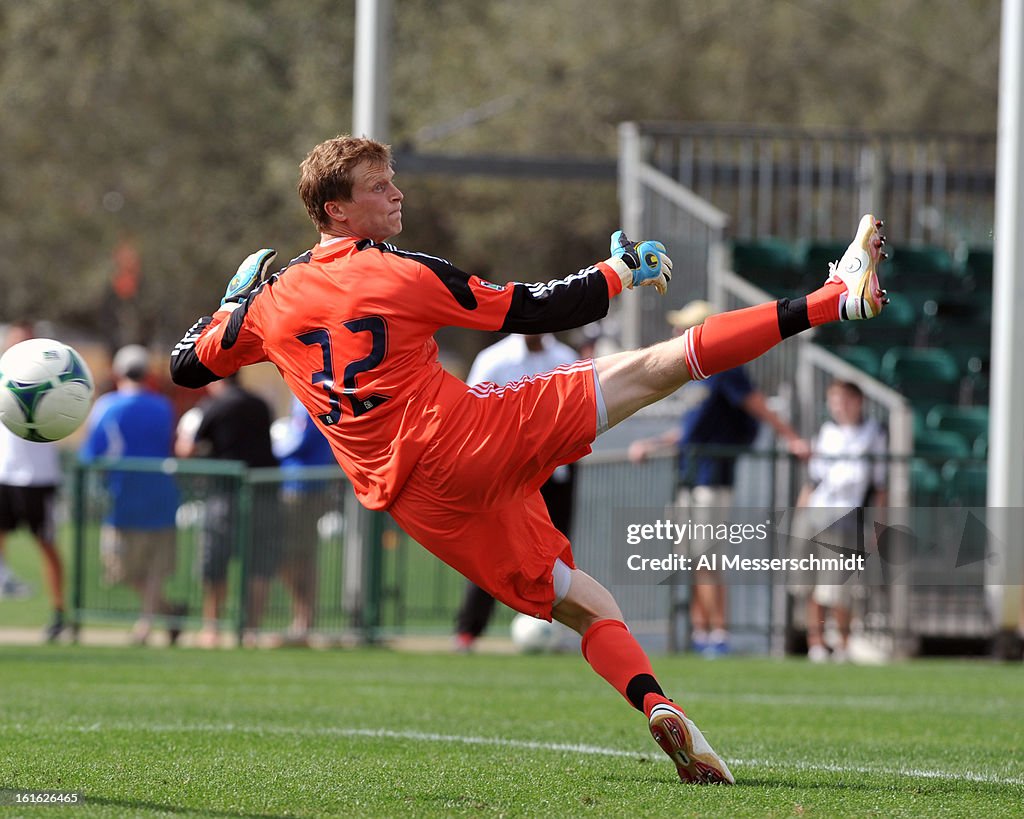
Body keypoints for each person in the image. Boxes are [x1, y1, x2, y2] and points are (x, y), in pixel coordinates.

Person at [170, 133, 888, 784]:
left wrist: (232, 304)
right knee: (655, 367)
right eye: (378, 186)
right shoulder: (397, 272)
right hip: (466, 438)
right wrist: (619, 270)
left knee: (585, 603)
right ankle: (832, 300)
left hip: (417, 504)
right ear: (335, 210)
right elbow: (536, 307)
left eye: (393, 180)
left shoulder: (267, 307)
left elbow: (185, 367)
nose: (397, 194)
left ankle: (659, 705)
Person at [628, 300, 811, 657]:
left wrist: (790, 437)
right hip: (691, 478)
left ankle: (719, 634)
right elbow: (689, 431)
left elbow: (757, 403)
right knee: (693, 560)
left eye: (682, 328)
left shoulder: (724, 367)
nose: (674, 335)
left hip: (712, 479)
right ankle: (702, 633)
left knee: (708, 558)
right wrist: (651, 444)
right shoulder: (697, 374)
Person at [453, 333, 580, 652]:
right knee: (493, 551)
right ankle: (469, 631)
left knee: (556, 557)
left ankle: (552, 632)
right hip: (505, 475)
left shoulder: (565, 358)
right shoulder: (494, 359)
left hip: (554, 474)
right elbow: (470, 411)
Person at [78, 344, 185, 646]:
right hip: (159, 495)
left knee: (122, 569)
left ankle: (146, 625)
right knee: (147, 570)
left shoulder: (107, 406)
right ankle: (168, 611)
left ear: (117, 372)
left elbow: (92, 453)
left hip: (123, 497)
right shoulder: (163, 406)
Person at [174, 374, 278, 648]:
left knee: (215, 561)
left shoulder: (213, 406)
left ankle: (212, 628)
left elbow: (187, 448)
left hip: (225, 493)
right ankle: (252, 629)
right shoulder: (260, 403)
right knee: (259, 562)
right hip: (263, 492)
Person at [796, 379, 887, 663]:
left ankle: (843, 644)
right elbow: (814, 479)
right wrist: (800, 513)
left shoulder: (874, 434)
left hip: (847, 516)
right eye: (834, 400)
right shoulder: (826, 431)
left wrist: (878, 524)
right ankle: (817, 644)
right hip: (817, 513)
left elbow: (880, 486)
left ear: (858, 401)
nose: (839, 406)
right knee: (810, 583)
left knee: (838, 586)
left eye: (844, 399)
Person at [0, 321, 68, 642]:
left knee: (46, 543)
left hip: (39, 477)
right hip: (5, 473)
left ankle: (59, 612)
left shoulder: (49, 378)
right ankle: (5, 577)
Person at [272, 395, 338, 644]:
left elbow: (301, 438)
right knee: (297, 556)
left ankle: (304, 619)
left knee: (296, 556)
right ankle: (303, 618)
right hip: (302, 484)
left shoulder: (308, 393)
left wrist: (273, 445)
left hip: (301, 487)